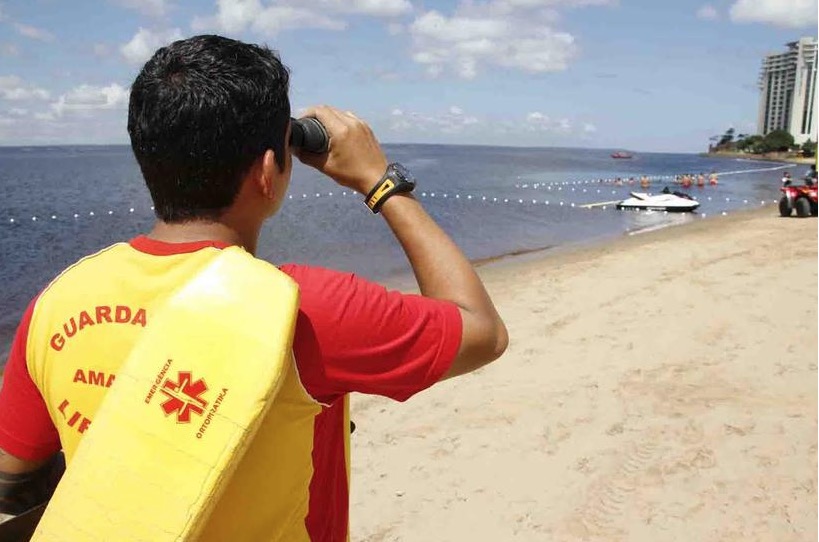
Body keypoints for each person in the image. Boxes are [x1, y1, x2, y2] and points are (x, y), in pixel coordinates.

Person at [0, 35, 508, 539]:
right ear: (268, 172)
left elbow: (13, 480)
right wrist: (379, 180)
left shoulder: (59, 299)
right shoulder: (304, 312)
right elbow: (482, 331)